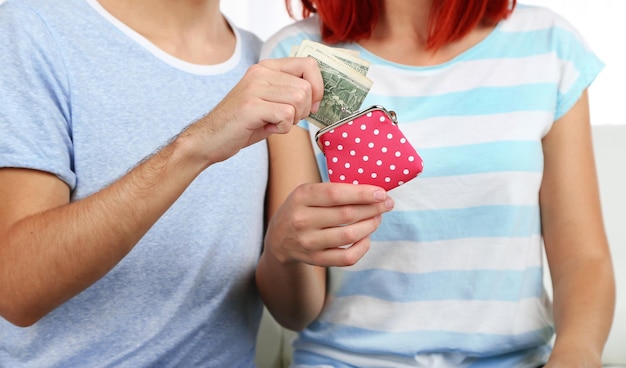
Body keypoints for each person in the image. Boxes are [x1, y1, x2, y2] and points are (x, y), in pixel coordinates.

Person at [257, 0, 616, 366]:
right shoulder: (292, 60)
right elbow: (295, 312)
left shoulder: (549, 45)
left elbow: (582, 259)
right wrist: (281, 251)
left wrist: (576, 354)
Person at [0, 0, 335, 366]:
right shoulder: (31, 28)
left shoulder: (265, 63)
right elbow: (16, 289)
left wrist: (289, 248)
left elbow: (297, 310)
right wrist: (195, 146)